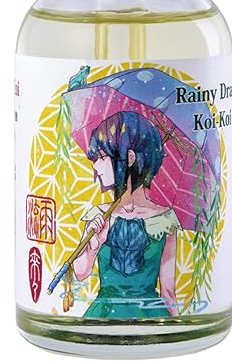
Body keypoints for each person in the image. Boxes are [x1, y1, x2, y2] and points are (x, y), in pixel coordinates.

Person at [73, 111, 180, 318]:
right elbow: (80, 273)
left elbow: (168, 290)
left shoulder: (164, 219)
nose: (95, 166)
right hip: (103, 314)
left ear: (129, 158)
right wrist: (93, 247)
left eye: (102, 157)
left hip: (150, 317)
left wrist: (177, 327)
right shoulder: (99, 215)